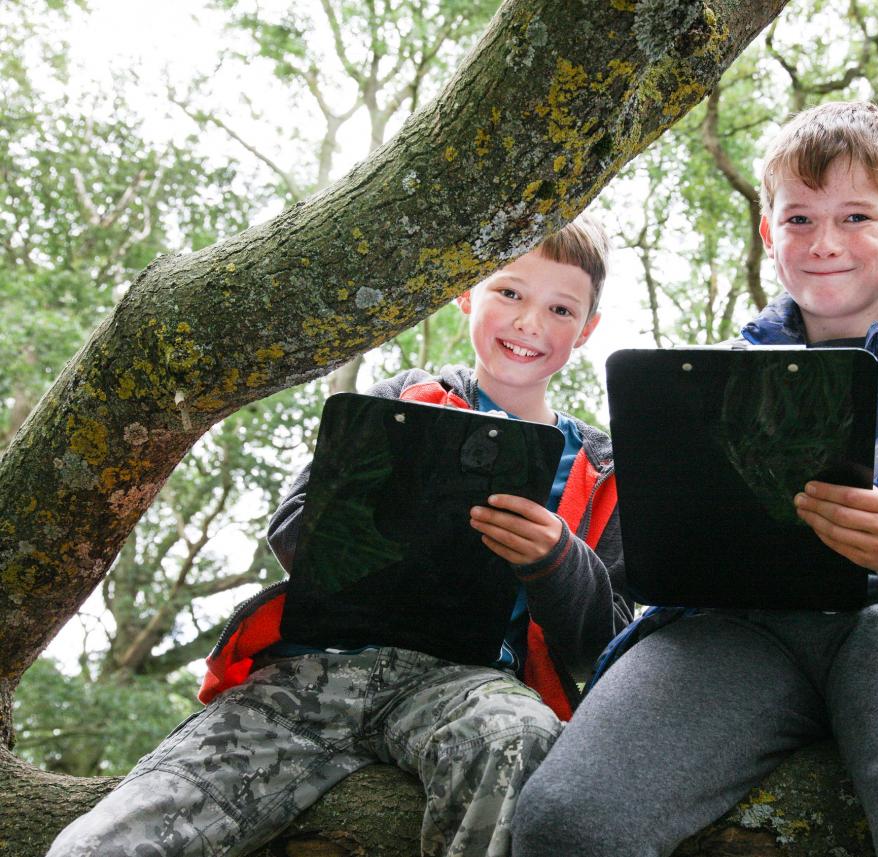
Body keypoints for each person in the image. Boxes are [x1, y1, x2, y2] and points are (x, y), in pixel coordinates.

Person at [511, 102, 878, 857]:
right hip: (734, 638)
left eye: (856, 217)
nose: (825, 242)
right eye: (799, 219)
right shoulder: (699, 379)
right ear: (769, 232)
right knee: (564, 822)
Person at [47, 213, 632, 857]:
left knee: (521, 737)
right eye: (509, 293)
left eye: (559, 308)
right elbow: (293, 527)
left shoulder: (600, 470)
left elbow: (606, 644)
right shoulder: (406, 398)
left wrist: (556, 560)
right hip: (311, 674)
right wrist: (376, 517)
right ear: (468, 291)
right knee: (105, 842)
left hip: (467, 686)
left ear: (586, 331)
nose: (529, 323)